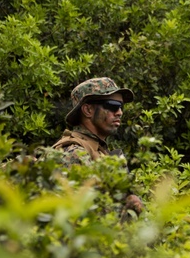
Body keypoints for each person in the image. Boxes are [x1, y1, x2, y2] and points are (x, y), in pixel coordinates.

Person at [51, 77, 144, 215]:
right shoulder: (73, 153)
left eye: (120, 106)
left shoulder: (99, 152)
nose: (119, 112)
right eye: (112, 105)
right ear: (88, 110)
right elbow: (82, 215)